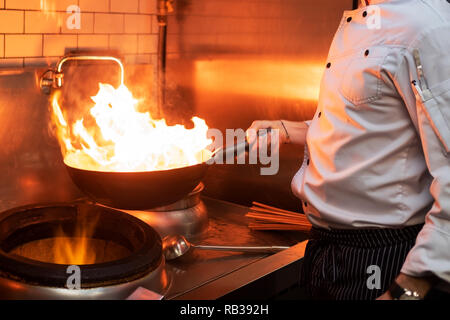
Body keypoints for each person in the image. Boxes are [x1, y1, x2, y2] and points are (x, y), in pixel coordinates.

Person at [247, 0, 450, 300]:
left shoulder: (429, 26)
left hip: (385, 257)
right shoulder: (364, 20)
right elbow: (366, 122)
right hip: (327, 253)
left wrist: (409, 290)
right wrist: (287, 129)